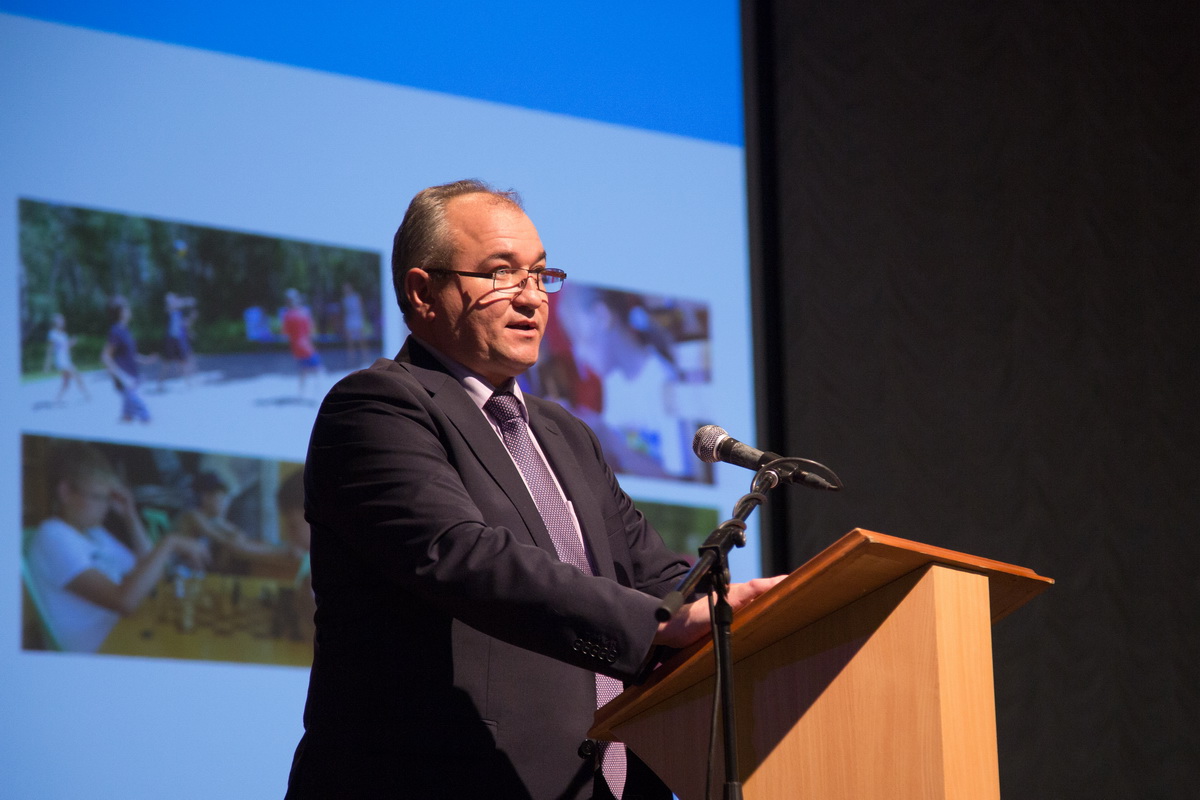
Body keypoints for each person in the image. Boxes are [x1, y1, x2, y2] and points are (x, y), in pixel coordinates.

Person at [284, 180, 782, 800]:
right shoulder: (376, 407)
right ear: (422, 291)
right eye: (501, 274)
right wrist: (659, 623)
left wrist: (747, 608)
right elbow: (461, 556)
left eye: (541, 275)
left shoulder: (564, 433)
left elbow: (653, 576)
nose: (531, 298)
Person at [24, 442, 210, 652]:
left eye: (108, 498)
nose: (105, 507)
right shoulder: (53, 535)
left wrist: (130, 517)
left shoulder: (95, 533)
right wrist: (171, 542)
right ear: (65, 492)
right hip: (98, 656)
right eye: (98, 497)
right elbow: (125, 602)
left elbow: (150, 575)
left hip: (127, 636)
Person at [101, 295, 156, 423]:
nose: (130, 310)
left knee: (128, 413)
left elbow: (129, 355)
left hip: (132, 378)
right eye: (127, 308)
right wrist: (123, 377)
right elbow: (105, 357)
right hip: (125, 380)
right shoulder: (115, 331)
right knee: (144, 412)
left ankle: (126, 417)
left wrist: (145, 360)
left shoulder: (125, 330)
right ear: (121, 312)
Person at [281, 288, 322, 396]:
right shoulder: (303, 312)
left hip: (297, 346)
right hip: (305, 345)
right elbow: (311, 329)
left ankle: (302, 392)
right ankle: (317, 390)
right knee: (316, 368)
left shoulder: (288, 315)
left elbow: (285, 334)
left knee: (303, 369)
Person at [42, 312, 91, 403]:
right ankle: (87, 396)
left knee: (66, 383)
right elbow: (50, 350)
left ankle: (56, 400)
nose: (62, 322)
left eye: (62, 320)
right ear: (55, 322)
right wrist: (47, 364)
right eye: (60, 320)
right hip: (61, 361)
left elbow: (65, 347)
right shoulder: (52, 334)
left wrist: (72, 342)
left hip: (66, 360)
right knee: (77, 375)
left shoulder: (63, 334)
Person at [158, 291, 197, 391]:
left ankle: (188, 382)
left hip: (178, 339)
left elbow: (185, 325)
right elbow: (172, 305)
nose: (171, 301)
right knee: (166, 362)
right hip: (170, 340)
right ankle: (160, 383)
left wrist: (189, 329)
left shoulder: (180, 313)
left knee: (183, 361)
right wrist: (187, 301)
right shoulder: (169, 310)